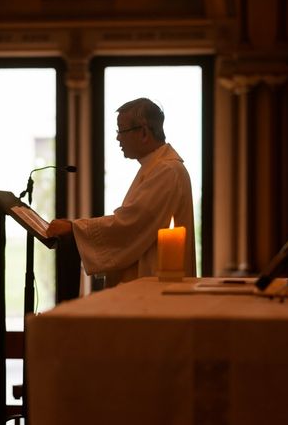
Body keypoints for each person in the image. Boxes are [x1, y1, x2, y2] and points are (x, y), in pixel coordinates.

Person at [47, 97, 196, 287]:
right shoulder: (155, 167)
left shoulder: (167, 171)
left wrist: (74, 228)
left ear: (143, 132)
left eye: (121, 130)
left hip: (158, 284)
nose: (117, 137)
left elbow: (132, 223)